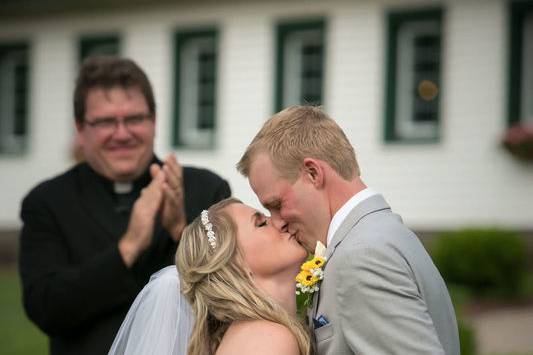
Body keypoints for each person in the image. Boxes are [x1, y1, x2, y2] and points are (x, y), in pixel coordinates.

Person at [18, 56, 231, 355]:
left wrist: (178, 232)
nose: (122, 133)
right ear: (80, 128)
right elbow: (46, 308)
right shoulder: (48, 202)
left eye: (134, 119)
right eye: (106, 121)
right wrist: (128, 247)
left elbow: (230, 298)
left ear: (154, 121)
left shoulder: (206, 189)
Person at [237, 106, 460, 355]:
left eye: (277, 205)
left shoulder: (361, 256)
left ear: (313, 173)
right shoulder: (381, 233)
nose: (277, 223)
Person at [176, 198, 312, 355]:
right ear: (235, 265)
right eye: (261, 223)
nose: (282, 221)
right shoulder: (267, 339)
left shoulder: (251, 335)